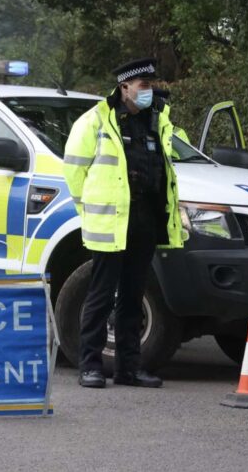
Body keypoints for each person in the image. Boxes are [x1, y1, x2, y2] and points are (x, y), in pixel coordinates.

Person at [62, 58, 186, 388]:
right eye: (143, 85)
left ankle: (129, 368)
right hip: (110, 223)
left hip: (145, 219)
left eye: (151, 84)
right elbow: (74, 172)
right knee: (100, 296)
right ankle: (89, 365)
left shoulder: (156, 121)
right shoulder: (95, 122)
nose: (150, 90)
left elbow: (170, 166)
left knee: (133, 296)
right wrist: (86, 210)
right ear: (125, 87)